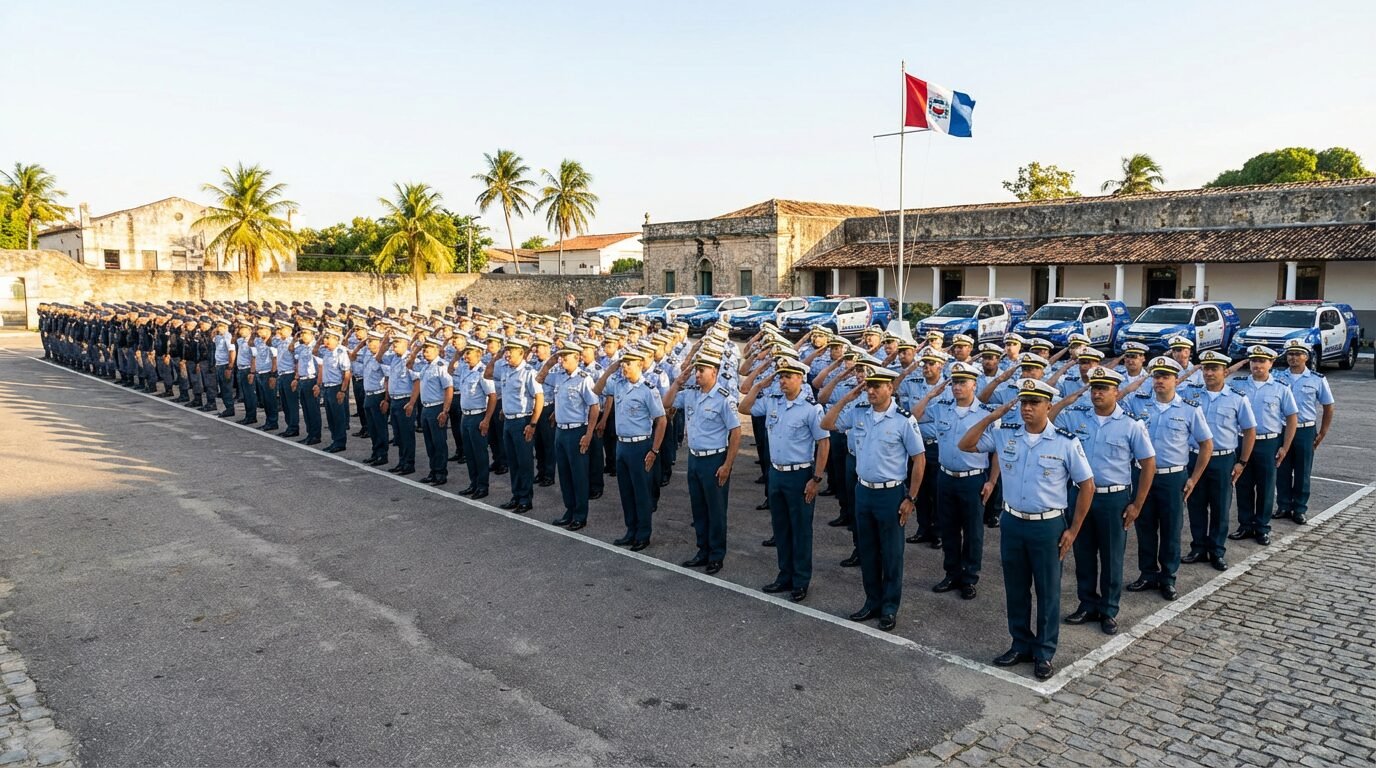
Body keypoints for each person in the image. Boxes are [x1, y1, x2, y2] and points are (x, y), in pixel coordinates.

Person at [959, 378, 1095, 681]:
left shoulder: (1065, 441)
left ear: (1049, 406)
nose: (1027, 408)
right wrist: (993, 416)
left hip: (1047, 526)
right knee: (1016, 588)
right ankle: (1020, 643)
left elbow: (1087, 486)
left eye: (1034, 403)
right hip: (1013, 522)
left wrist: (1073, 529)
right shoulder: (1006, 434)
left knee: (1048, 591)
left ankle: (1044, 652)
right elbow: (966, 444)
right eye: (1023, 402)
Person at [1053, 367, 1157, 634]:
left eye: (1103, 388)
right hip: (1080, 495)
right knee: (1083, 552)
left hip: (1113, 499)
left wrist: (1137, 504)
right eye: (1094, 388)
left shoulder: (1131, 424)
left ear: (1116, 391)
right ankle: (1087, 603)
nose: (1097, 393)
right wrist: (1068, 399)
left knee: (1112, 556)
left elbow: (1148, 464)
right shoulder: (1076, 417)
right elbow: (1048, 419)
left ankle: (1109, 609)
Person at [822, 366, 924, 630]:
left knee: (891, 553)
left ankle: (889, 607)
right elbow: (827, 423)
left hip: (891, 494)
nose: (871, 391)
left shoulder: (903, 420)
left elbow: (919, 459)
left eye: (877, 386)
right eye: (868, 386)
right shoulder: (858, 414)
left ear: (890, 388)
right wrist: (847, 397)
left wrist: (911, 498)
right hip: (863, 491)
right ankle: (872, 601)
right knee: (867, 551)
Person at [1123, 357, 1214, 600]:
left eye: (1165, 376)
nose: (1159, 381)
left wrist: (1194, 478)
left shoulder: (1189, 409)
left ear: (1176, 379)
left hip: (1172, 477)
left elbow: (1206, 445)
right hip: (1142, 475)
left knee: (1171, 528)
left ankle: (1168, 577)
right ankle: (1148, 573)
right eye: (1156, 376)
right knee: (1145, 527)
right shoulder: (1138, 404)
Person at [740, 357, 829, 603]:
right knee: (781, 528)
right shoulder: (772, 402)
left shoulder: (812, 408)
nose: (782, 381)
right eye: (780, 376)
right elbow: (744, 408)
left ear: (801, 378)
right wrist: (761, 384)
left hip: (800, 475)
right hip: (776, 474)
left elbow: (824, 443)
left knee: (800, 530)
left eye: (787, 376)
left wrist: (816, 478)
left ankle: (800, 581)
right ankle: (784, 575)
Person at [913, 361, 998, 600]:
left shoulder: (986, 414)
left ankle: (969, 578)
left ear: (974, 384)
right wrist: (931, 394)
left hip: (972, 479)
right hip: (946, 477)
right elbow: (915, 416)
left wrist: (991, 481)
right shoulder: (942, 407)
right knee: (948, 529)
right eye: (954, 382)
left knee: (973, 532)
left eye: (962, 382)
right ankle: (951, 573)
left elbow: (998, 450)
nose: (957, 387)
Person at [665, 346, 741, 574]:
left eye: (702, 370)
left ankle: (716, 554)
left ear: (714, 372)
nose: (697, 374)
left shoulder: (723, 399)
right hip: (695, 458)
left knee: (715, 510)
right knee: (698, 508)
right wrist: (678, 382)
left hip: (715, 459)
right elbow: (667, 403)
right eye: (696, 370)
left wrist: (727, 464)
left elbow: (736, 432)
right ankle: (702, 550)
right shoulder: (690, 393)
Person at [1178, 350, 1256, 571]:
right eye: (1205, 368)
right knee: (1196, 504)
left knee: (1221, 506)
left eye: (1214, 369)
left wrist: (1242, 462)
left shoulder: (1237, 398)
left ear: (1225, 372)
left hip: (1222, 460)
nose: (1209, 373)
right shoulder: (1191, 395)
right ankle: (1199, 547)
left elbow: (1249, 431)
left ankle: (1217, 550)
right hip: (1194, 457)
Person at [594, 348, 667, 551]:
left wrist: (654, 450)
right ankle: (631, 531)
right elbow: (596, 389)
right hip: (622, 445)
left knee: (641, 492)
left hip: (640, 445)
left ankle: (643, 534)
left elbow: (661, 420)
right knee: (626, 491)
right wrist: (611, 368)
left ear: (640, 364)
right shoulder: (618, 385)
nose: (624, 366)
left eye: (628, 363)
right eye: (623, 363)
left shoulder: (648, 389)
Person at [1229, 345, 1298, 545]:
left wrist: (1285, 446)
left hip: (1268, 442)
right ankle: (1245, 524)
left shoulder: (1281, 388)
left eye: (1262, 361)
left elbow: (1292, 418)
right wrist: (1236, 366)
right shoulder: (1238, 384)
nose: (1257, 365)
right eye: (1253, 361)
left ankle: (1262, 527)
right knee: (1243, 485)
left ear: (1271, 363)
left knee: (1266, 486)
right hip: (1241, 441)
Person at [538, 344, 601, 530]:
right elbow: (539, 377)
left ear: (577, 358)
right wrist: (551, 359)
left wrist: (589, 434)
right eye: (561, 357)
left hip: (576, 431)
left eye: (566, 357)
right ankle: (570, 510)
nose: (562, 360)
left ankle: (580, 515)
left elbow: (594, 407)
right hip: (560, 431)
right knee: (564, 474)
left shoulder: (584, 379)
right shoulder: (558, 376)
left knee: (579, 475)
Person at [1273, 339, 1335, 525]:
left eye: (1297, 354)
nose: (1293, 358)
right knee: (1281, 468)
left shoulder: (1317, 379)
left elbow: (1328, 407)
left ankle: (1299, 508)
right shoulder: (1276, 376)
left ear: (1306, 357)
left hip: (1305, 429)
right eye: (1290, 354)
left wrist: (1322, 432)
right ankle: (1283, 505)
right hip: (1281, 428)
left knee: (1302, 470)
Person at [494, 338, 543, 513]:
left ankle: (525, 499)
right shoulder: (505, 370)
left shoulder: (529, 372)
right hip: (508, 420)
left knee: (524, 462)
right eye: (506, 350)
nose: (507, 354)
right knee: (513, 462)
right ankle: (516, 495)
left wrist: (533, 424)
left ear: (521, 353)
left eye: (511, 351)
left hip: (523, 421)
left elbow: (539, 398)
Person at [454, 342, 496, 497]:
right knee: (469, 453)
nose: (466, 356)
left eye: (469, 353)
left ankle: (483, 486)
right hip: (465, 416)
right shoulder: (465, 369)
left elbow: (492, 397)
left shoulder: (483, 372)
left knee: (480, 453)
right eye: (465, 353)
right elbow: (450, 370)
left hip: (478, 416)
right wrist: (457, 355)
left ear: (479, 354)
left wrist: (486, 420)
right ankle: (474, 483)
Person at [381, 330, 422, 476]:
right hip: (394, 400)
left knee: (407, 434)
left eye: (396, 343)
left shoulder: (410, 360)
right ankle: (401, 461)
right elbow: (379, 358)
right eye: (393, 343)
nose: (393, 346)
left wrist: (411, 403)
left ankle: (408, 464)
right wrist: (387, 399)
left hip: (405, 400)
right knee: (398, 435)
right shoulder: (394, 359)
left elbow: (417, 382)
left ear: (405, 343)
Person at [318, 326, 353, 453]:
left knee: (338, 417)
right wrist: (321, 338)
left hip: (336, 387)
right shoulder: (326, 351)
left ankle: (340, 442)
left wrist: (343, 391)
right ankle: (334, 440)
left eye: (328, 338)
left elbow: (346, 373)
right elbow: (315, 351)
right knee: (331, 416)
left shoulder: (341, 352)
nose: (326, 340)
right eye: (325, 337)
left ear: (336, 339)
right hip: (327, 387)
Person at [294, 327, 323, 445]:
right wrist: (296, 378)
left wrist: (318, 384)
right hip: (303, 380)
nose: (302, 336)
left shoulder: (317, 348)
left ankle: (315, 435)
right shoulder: (302, 348)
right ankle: (310, 434)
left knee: (313, 410)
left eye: (305, 334)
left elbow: (321, 367)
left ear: (312, 335)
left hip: (312, 380)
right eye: (302, 334)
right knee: (306, 410)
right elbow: (298, 363)